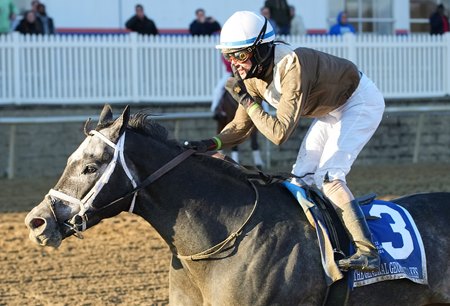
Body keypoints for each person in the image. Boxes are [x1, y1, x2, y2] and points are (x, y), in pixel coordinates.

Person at [184, 11, 384, 272]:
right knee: (299, 179)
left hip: (359, 101)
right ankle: (319, 242)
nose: (235, 65)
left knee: (329, 177)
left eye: (241, 55)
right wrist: (208, 144)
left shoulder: (292, 66)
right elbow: (241, 127)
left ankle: (368, 251)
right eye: (229, 56)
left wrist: (245, 100)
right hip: (330, 111)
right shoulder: (252, 76)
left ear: (262, 50)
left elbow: (279, 134)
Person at [211, 57, 264, 168]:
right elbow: (225, 61)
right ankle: (215, 108)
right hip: (230, 73)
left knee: (258, 90)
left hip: (243, 73)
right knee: (218, 90)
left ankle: (265, 110)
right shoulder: (225, 52)